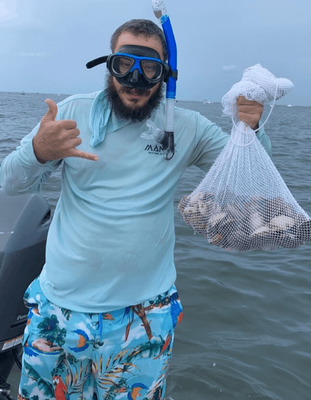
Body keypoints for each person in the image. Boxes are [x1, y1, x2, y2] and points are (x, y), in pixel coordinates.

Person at [0, 19, 270, 400]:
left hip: (144, 317)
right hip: (58, 310)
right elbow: (10, 184)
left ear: (165, 75)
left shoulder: (186, 127)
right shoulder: (70, 113)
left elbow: (251, 178)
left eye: (150, 68)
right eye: (124, 65)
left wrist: (250, 130)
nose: (135, 80)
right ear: (109, 65)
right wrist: (38, 152)